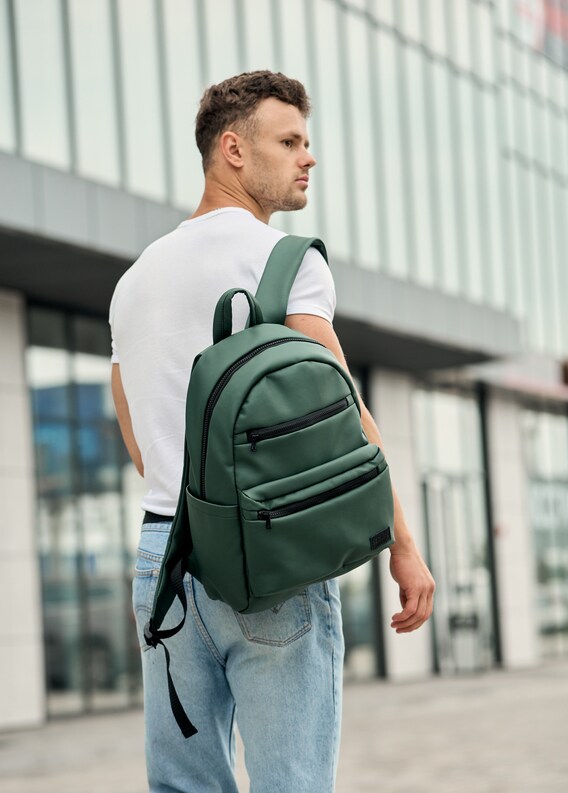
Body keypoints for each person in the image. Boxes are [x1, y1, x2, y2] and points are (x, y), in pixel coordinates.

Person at [109, 70, 435, 793]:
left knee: (183, 784)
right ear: (232, 149)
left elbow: (139, 445)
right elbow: (344, 413)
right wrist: (403, 546)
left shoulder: (134, 281)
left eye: (306, 142)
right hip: (267, 560)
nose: (307, 157)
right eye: (288, 142)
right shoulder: (283, 261)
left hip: (162, 561)